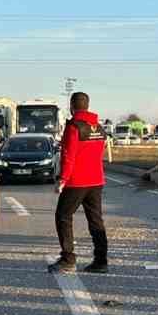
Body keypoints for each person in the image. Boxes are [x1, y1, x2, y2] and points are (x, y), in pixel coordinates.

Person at [49, 91, 109, 274]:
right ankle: (101, 261)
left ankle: (68, 258)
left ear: (72, 107)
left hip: (76, 181)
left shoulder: (74, 127)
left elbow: (69, 156)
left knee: (63, 216)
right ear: (87, 106)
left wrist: (62, 179)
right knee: (96, 220)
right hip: (96, 180)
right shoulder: (98, 128)